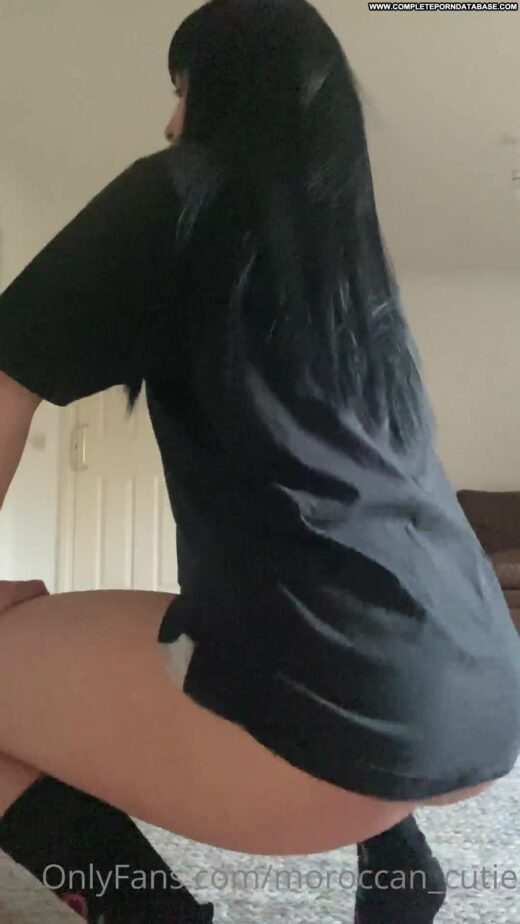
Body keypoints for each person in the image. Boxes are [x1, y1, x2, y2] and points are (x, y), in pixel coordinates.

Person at [0, 2, 518, 922]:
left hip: (354, 729)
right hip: (486, 692)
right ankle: (400, 863)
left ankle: (153, 915)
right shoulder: (352, 271)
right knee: (214, 624)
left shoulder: (180, 190)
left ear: (230, 93)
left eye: (184, 90)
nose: (171, 122)